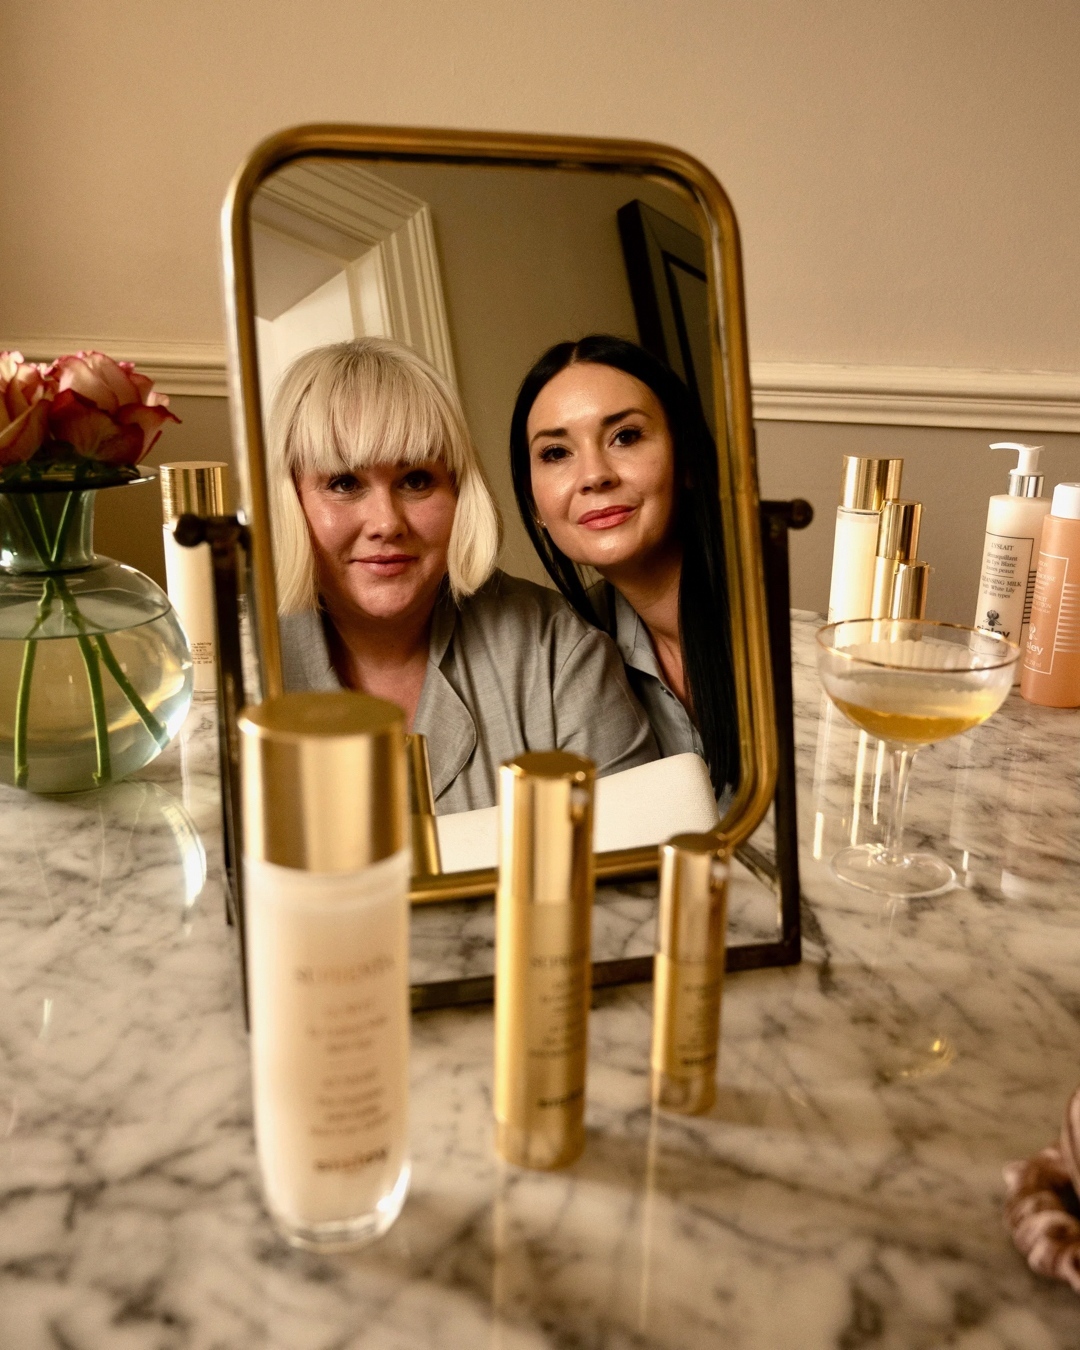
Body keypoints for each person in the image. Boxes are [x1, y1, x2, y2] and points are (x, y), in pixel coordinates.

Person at [268, 337, 658, 814]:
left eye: (416, 480)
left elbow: (630, 850)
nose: (386, 523)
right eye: (344, 483)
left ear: (458, 490)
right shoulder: (236, 664)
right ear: (291, 501)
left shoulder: (555, 649)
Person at [509, 334, 738, 800]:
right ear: (535, 505)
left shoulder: (779, 610)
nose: (595, 475)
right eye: (556, 453)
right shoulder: (567, 655)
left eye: (626, 436)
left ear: (686, 459)